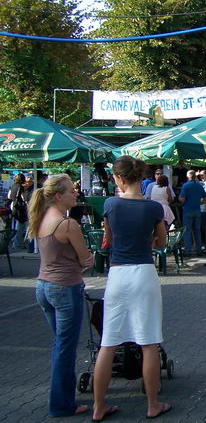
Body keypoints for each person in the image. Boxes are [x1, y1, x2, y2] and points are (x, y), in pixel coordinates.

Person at [91, 156, 170, 421]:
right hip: (144, 274)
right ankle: (152, 403)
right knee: (149, 342)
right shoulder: (153, 208)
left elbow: (108, 240)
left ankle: (98, 406)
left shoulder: (110, 204)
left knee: (108, 343)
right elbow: (161, 242)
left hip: (118, 274)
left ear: (120, 178)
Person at [30, 174, 93, 417]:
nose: (75, 193)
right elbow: (86, 258)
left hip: (43, 286)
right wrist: (85, 261)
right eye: (71, 190)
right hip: (65, 287)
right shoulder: (67, 225)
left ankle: (61, 397)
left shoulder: (42, 218)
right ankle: (61, 404)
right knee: (65, 347)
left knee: (59, 343)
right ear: (59, 195)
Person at [179, 170, 206, 256]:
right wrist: (199, 203)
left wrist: (182, 201)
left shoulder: (185, 186)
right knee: (197, 230)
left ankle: (187, 250)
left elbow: (182, 198)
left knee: (187, 231)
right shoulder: (199, 186)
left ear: (188, 177)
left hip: (187, 209)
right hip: (197, 210)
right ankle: (198, 249)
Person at [8, 173, 28, 249]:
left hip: (13, 206)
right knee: (20, 226)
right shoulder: (21, 187)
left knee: (16, 225)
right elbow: (23, 198)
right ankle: (17, 244)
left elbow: (9, 196)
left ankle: (14, 241)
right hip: (20, 207)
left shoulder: (13, 186)